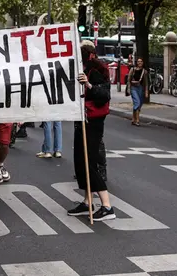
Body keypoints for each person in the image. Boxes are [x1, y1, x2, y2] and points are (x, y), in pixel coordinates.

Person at [67, 40, 115, 221]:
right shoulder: (84, 70)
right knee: (81, 162)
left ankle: (107, 206)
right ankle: (88, 202)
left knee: (89, 162)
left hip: (93, 122)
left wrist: (88, 85)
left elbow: (104, 96)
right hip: (82, 120)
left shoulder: (97, 70)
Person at [125, 57, 148, 126]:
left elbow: (146, 83)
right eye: (138, 61)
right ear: (136, 62)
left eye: (141, 61)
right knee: (137, 102)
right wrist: (128, 89)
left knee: (138, 104)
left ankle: (133, 118)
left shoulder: (144, 71)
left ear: (143, 62)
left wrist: (146, 91)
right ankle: (137, 120)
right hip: (133, 88)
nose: (139, 62)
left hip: (140, 88)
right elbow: (128, 80)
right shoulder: (132, 69)